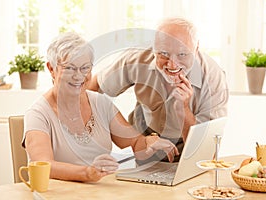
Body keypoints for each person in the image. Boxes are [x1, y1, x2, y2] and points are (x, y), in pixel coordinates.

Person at [22, 32, 179, 183]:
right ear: (51, 68)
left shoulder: (101, 104)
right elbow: (44, 165)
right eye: (69, 68)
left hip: (98, 192)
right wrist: (87, 173)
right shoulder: (38, 114)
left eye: (85, 68)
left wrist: (149, 142)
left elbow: (134, 142)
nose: (79, 76)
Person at [88, 17, 229, 163]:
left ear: (196, 48)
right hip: (147, 137)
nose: (172, 65)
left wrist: (183, 110)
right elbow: (94, 88)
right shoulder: (137, 58)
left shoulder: (213, 79)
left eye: (182, 54)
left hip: (188, 143)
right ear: (154, 48)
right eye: (164, 54)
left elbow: (206, 154)